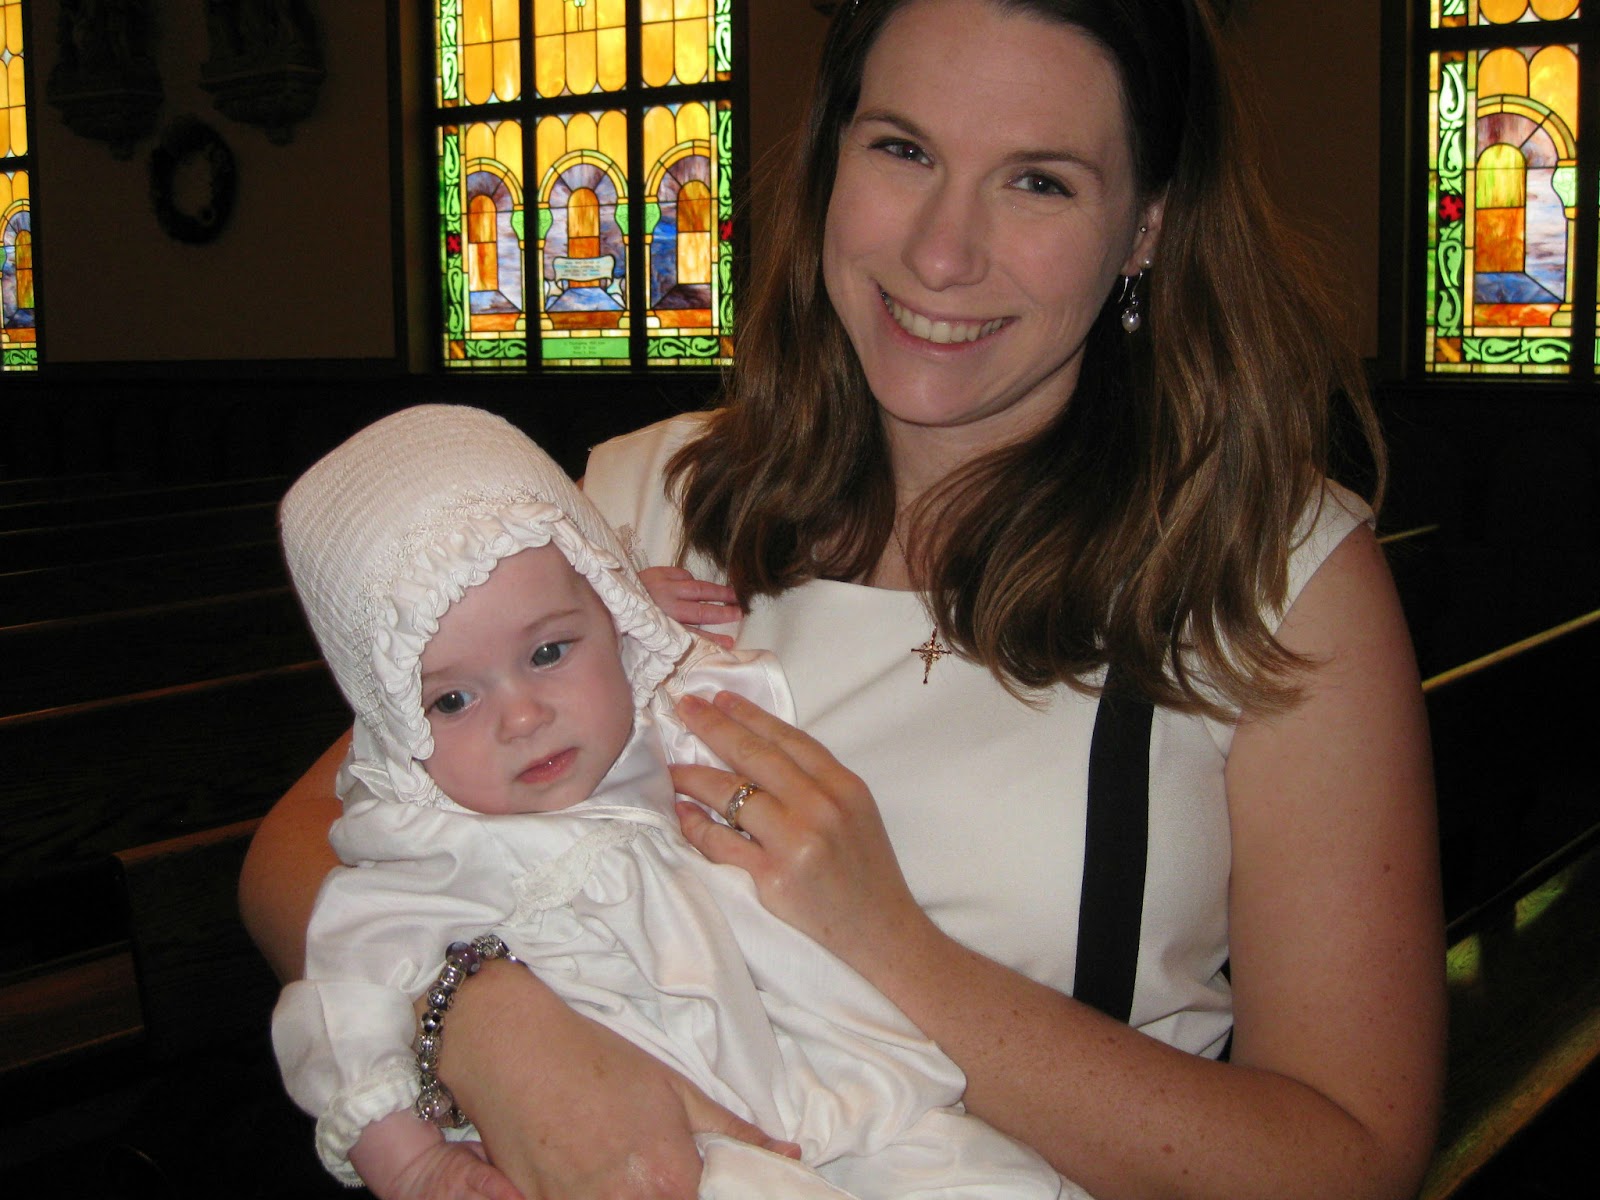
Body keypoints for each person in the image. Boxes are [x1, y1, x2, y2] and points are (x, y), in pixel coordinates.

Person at [241, 2, 1446, 1198]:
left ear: (1145, 228)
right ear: (829, 158)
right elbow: (305, 852)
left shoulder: (1270, 571)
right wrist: (484, 1022)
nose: (940, 253)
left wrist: (886, 944)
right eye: (903, 149)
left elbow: (1348, 1162)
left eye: (1038, 181)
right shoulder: (625, 509)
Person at [270, 404, 1070, 1200]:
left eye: (547, 652)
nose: (522, 717)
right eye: (452, 701)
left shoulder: (660, 730)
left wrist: (629, 621)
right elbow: (344, 1014)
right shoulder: (422, 857)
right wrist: (416, 1166)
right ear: (392, 729)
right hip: (629, 1146)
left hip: (811, 1085)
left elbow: (661, 663)